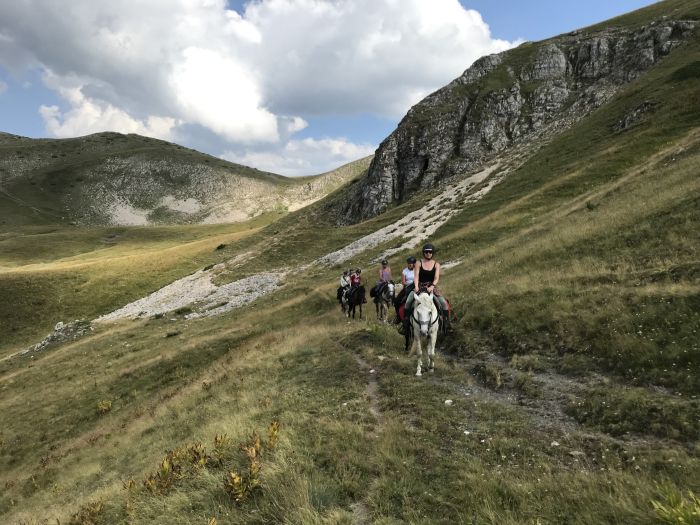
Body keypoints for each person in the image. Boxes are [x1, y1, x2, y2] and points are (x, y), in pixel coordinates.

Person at [405, 243, 448, 315]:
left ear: (432, 253)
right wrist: (416, 287)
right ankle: (406, 321)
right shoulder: (418, 263)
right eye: (426, 252)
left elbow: (436, 278)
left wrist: (432, 286)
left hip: (431, 286)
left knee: (444, 303)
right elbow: (416, 276)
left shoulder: (436, 264)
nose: (428, 253)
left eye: (430, 252)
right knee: (408, 301)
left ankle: (446, 323)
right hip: (419, 285)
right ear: (423, 253)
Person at [394, 256, 416, 321]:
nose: (410, 264)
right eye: (409, 263)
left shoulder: (417, 270)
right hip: (408, 287)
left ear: (413, 264)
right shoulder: (404, 271)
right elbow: (403, 282)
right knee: (396, 301)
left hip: (416, 286)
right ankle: (398, 316)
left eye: (411, 263)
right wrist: (409, 284)